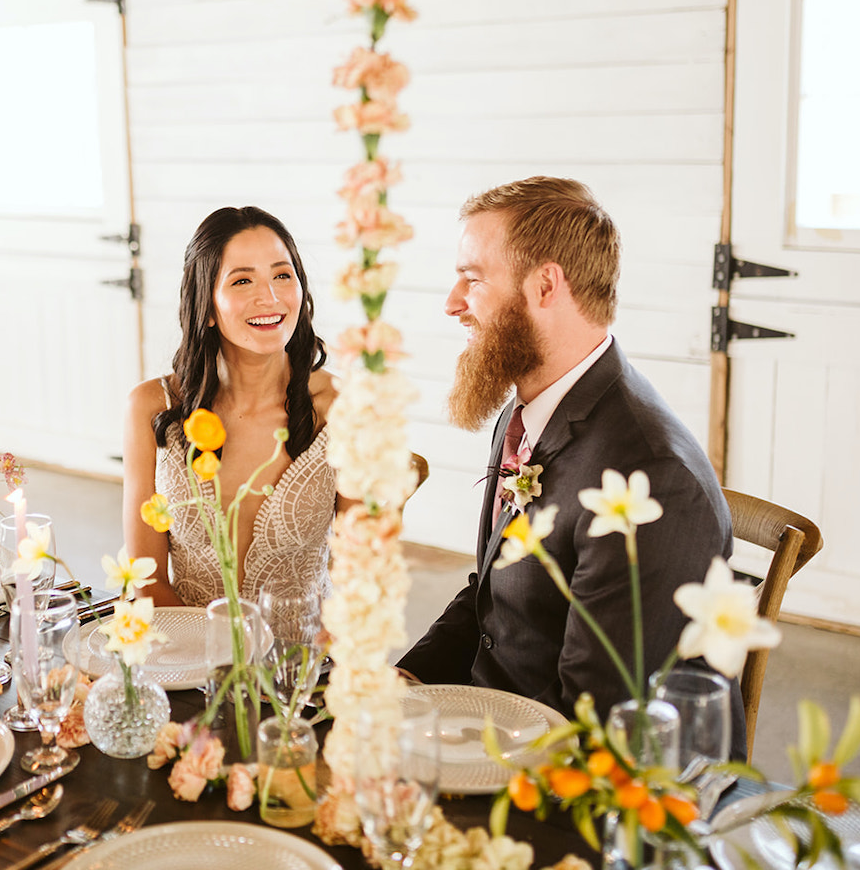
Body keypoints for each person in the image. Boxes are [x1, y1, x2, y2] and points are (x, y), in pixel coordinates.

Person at [397, 176, 746, 757]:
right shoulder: (532, 408)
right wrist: (408, 681)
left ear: (545, 285)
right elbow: (492, 595)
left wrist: (446, 759)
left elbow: (598, 726)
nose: (453, 301)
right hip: (498, 724)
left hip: (582, 789)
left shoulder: (651, 478)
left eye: (474, 277)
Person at [123, 207, 355, 617]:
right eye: (243, 280)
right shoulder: (151, 407)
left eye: (282, 275)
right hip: (190, 660)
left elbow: (364, 578)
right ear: (207, 305)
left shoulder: (343, 410)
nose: (269, 297)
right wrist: (218, 661)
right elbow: (147, 579)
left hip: (302, 667)